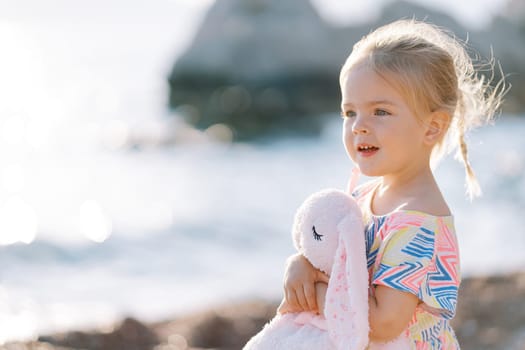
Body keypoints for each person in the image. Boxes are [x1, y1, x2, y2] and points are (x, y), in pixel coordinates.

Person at [277, 19, 506, 349]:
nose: (359, 126)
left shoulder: (418, 223)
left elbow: (383, 324)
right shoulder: (364, 196)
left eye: (380, 112)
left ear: (432, 127)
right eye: (349, 112)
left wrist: (314, 292)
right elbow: (333, 259)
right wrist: (299, 264)